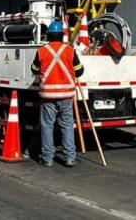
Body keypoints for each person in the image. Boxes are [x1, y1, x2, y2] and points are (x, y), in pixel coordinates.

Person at [30, 21, 84, 167]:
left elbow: (34, 69)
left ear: (48, 35)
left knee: (47, 126)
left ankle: (47, 158)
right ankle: (70, 158)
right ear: (62, 35)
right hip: (66, 95)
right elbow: (79, 71)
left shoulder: (42, 51)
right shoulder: (70, 51)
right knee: (67, 126)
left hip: (48, 95)